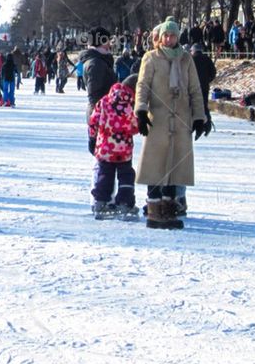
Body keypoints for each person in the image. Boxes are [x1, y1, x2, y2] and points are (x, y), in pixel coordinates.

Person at [134, 16, 206, 229]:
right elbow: (142, 86)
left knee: (175, 166)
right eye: (166, 35)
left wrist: (199, 116)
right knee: (155, 165)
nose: (169, 39)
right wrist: (141, 111)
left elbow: (195, 88)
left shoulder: (185, 59)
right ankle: (155, 211)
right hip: (159, 119)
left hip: (181, 119)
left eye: (173, 35)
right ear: (161, 37)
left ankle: (169, 210)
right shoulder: (151, 57)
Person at [88, 74, 140, 219]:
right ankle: (124, 202)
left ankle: (100, 201)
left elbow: (93, 121)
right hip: (124, 149)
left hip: (104, 147)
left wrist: (93, 136)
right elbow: (134, 126)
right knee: (126, 175)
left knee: (105, 174)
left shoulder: (104, 101)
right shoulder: (129, 106)